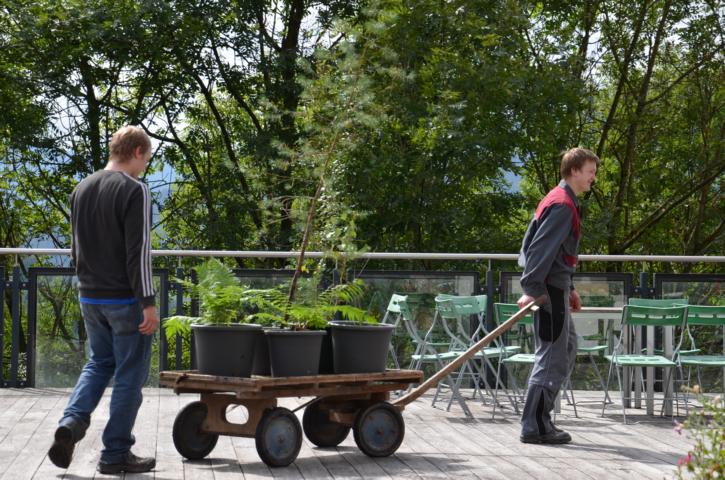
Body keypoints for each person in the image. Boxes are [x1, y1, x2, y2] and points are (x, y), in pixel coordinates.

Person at [48, 125, 158, 473]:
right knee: (129, 374)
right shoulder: (135, 190)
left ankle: (71, 422)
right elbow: (138, 253)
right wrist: (148, 302)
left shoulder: (81, 188)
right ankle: (115, 454)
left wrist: (86, 285)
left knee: (99, 363)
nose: (145, 166)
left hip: (89, 296)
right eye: (147, 159)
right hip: (125, 300)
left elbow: (75, 248)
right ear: (137, 151)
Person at [516, 147, 598, 444]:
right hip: (548, 290)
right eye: (590, 172)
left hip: (556, 286)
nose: (594, 178)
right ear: (574, 170)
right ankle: (535, 425)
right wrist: (532, 290)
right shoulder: (562, 204)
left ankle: (540, 419)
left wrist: (570, 287)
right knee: (552, 355)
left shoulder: (561, 199)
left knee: (566, 348)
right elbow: (539, 250)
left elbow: (557, 251)